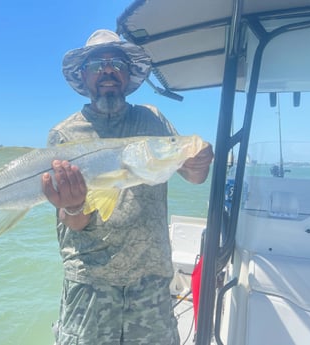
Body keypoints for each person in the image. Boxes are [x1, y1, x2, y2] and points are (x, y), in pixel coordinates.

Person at [41, 29, 213, 345]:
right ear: (84, 75)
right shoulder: (64, 135)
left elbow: (193, 176)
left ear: (127, 73)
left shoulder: (153, 120)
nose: (107, 71)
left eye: (116, 64)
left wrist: (198, 163)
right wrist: (74, 205)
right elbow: (73, 222)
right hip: (92, 285)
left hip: (151, 282)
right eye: (96, 65)